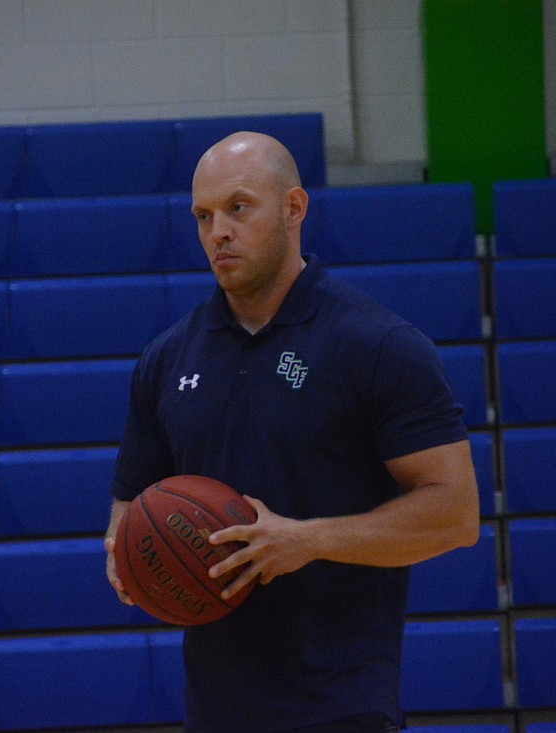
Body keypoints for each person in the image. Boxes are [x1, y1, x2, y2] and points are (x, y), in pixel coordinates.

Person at [104, 131, 480, 733]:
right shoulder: (166, 359)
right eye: (203, 216)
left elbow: (456, 514)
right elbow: (131, 506)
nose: (217, 232)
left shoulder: (378, 345)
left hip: (343, 705)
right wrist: (130, 553)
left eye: (238, 207)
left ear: (294, 208)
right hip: (217, 711)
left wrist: (305, 540)